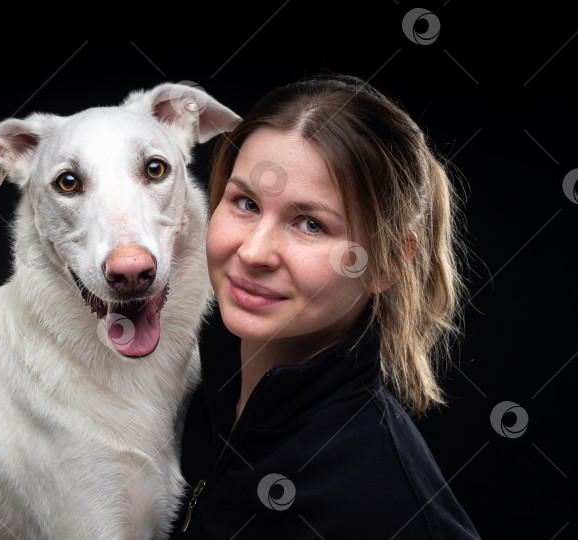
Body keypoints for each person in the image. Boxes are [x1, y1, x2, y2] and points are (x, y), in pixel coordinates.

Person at [169, 73, 481, 538]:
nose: (254, 252)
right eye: (246, 203)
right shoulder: (172, 395)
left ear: (389, 260)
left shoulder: (397, 513)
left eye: (310, 224)